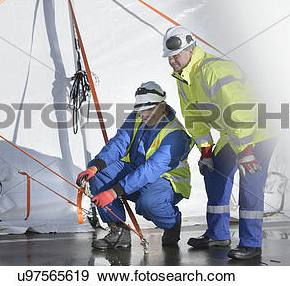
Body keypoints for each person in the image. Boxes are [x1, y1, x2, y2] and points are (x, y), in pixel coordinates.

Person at [162, 25, 276, 260]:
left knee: (250, 182)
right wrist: (206, 150)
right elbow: (193, 116)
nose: (172, 60)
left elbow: (240, 109)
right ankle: (218, 234)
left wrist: (246, 150)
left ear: (191, 50)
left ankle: (251, 245)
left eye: (176, 55)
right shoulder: (184, 78)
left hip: (258, 132)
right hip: (232, 132)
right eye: (169, 57)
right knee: (215, 173)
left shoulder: (214, 69)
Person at [76, 81, 193, 249]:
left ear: (162, 106)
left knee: (148, 204)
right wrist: (95, 166)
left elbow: (150, 170)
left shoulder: (176, 135)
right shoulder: (138, 116)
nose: (143, 115)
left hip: (165, 182)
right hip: (137, 173)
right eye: (140, 110)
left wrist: (113, 192)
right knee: (99, 175)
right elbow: (119, 143)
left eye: (148, 110)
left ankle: (172, 222)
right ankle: (119, 231)